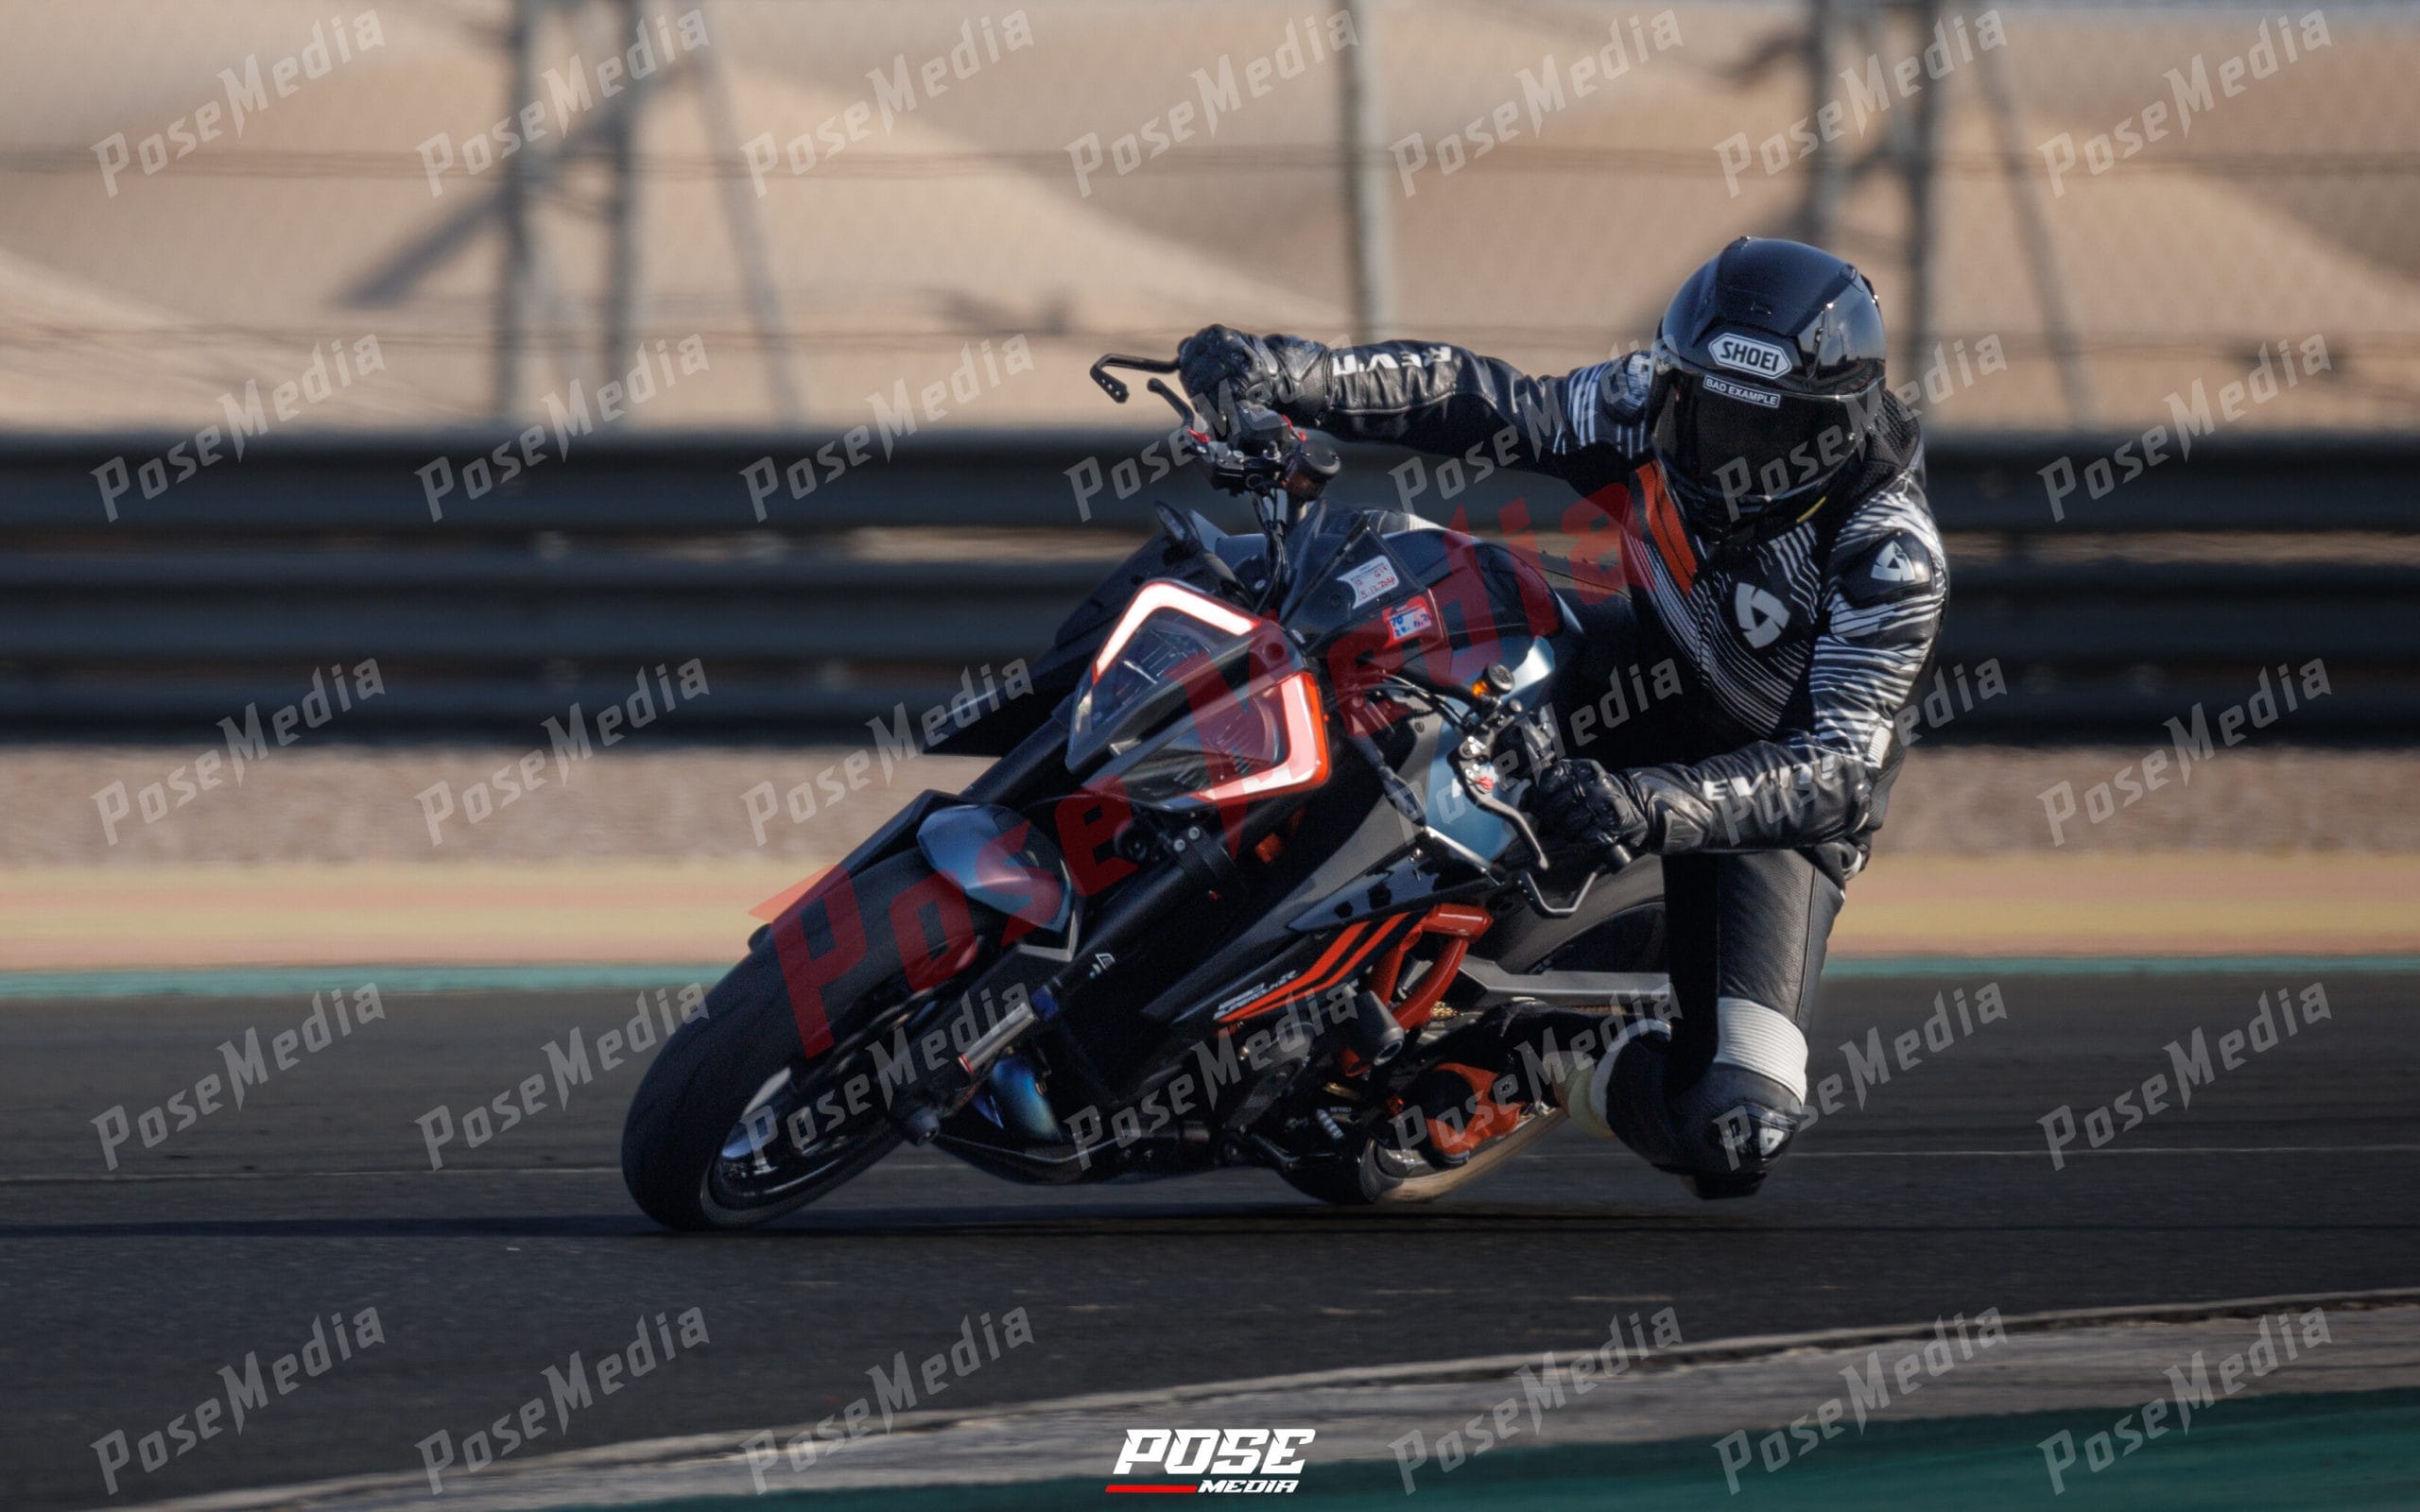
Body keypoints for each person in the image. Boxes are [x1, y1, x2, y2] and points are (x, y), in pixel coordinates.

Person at [1174, 237, 1947, 1197]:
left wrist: (1647, 804)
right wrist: (1296, 375)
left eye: (1765, 434)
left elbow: (1838, 773)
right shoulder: (1651, 401)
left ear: (1837, 428)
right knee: (1391, 630)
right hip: (1629, 665)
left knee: (1735, 1131)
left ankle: (1545, 1055)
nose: (1721, 455)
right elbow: (1484, 397)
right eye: (1704, 415)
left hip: (1764, 810)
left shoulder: (1886, 556)